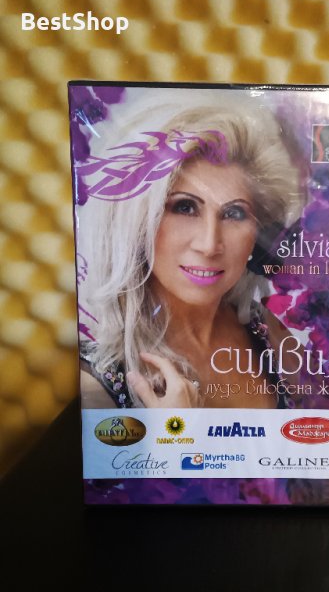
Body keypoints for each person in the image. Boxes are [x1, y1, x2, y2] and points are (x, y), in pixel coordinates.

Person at [77, 103, 304, 409]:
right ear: (136, 220)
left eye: (234, 213)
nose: (210, 245)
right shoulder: (94, 383)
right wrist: (174, 431)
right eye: (185, 207)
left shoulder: (267, 330)